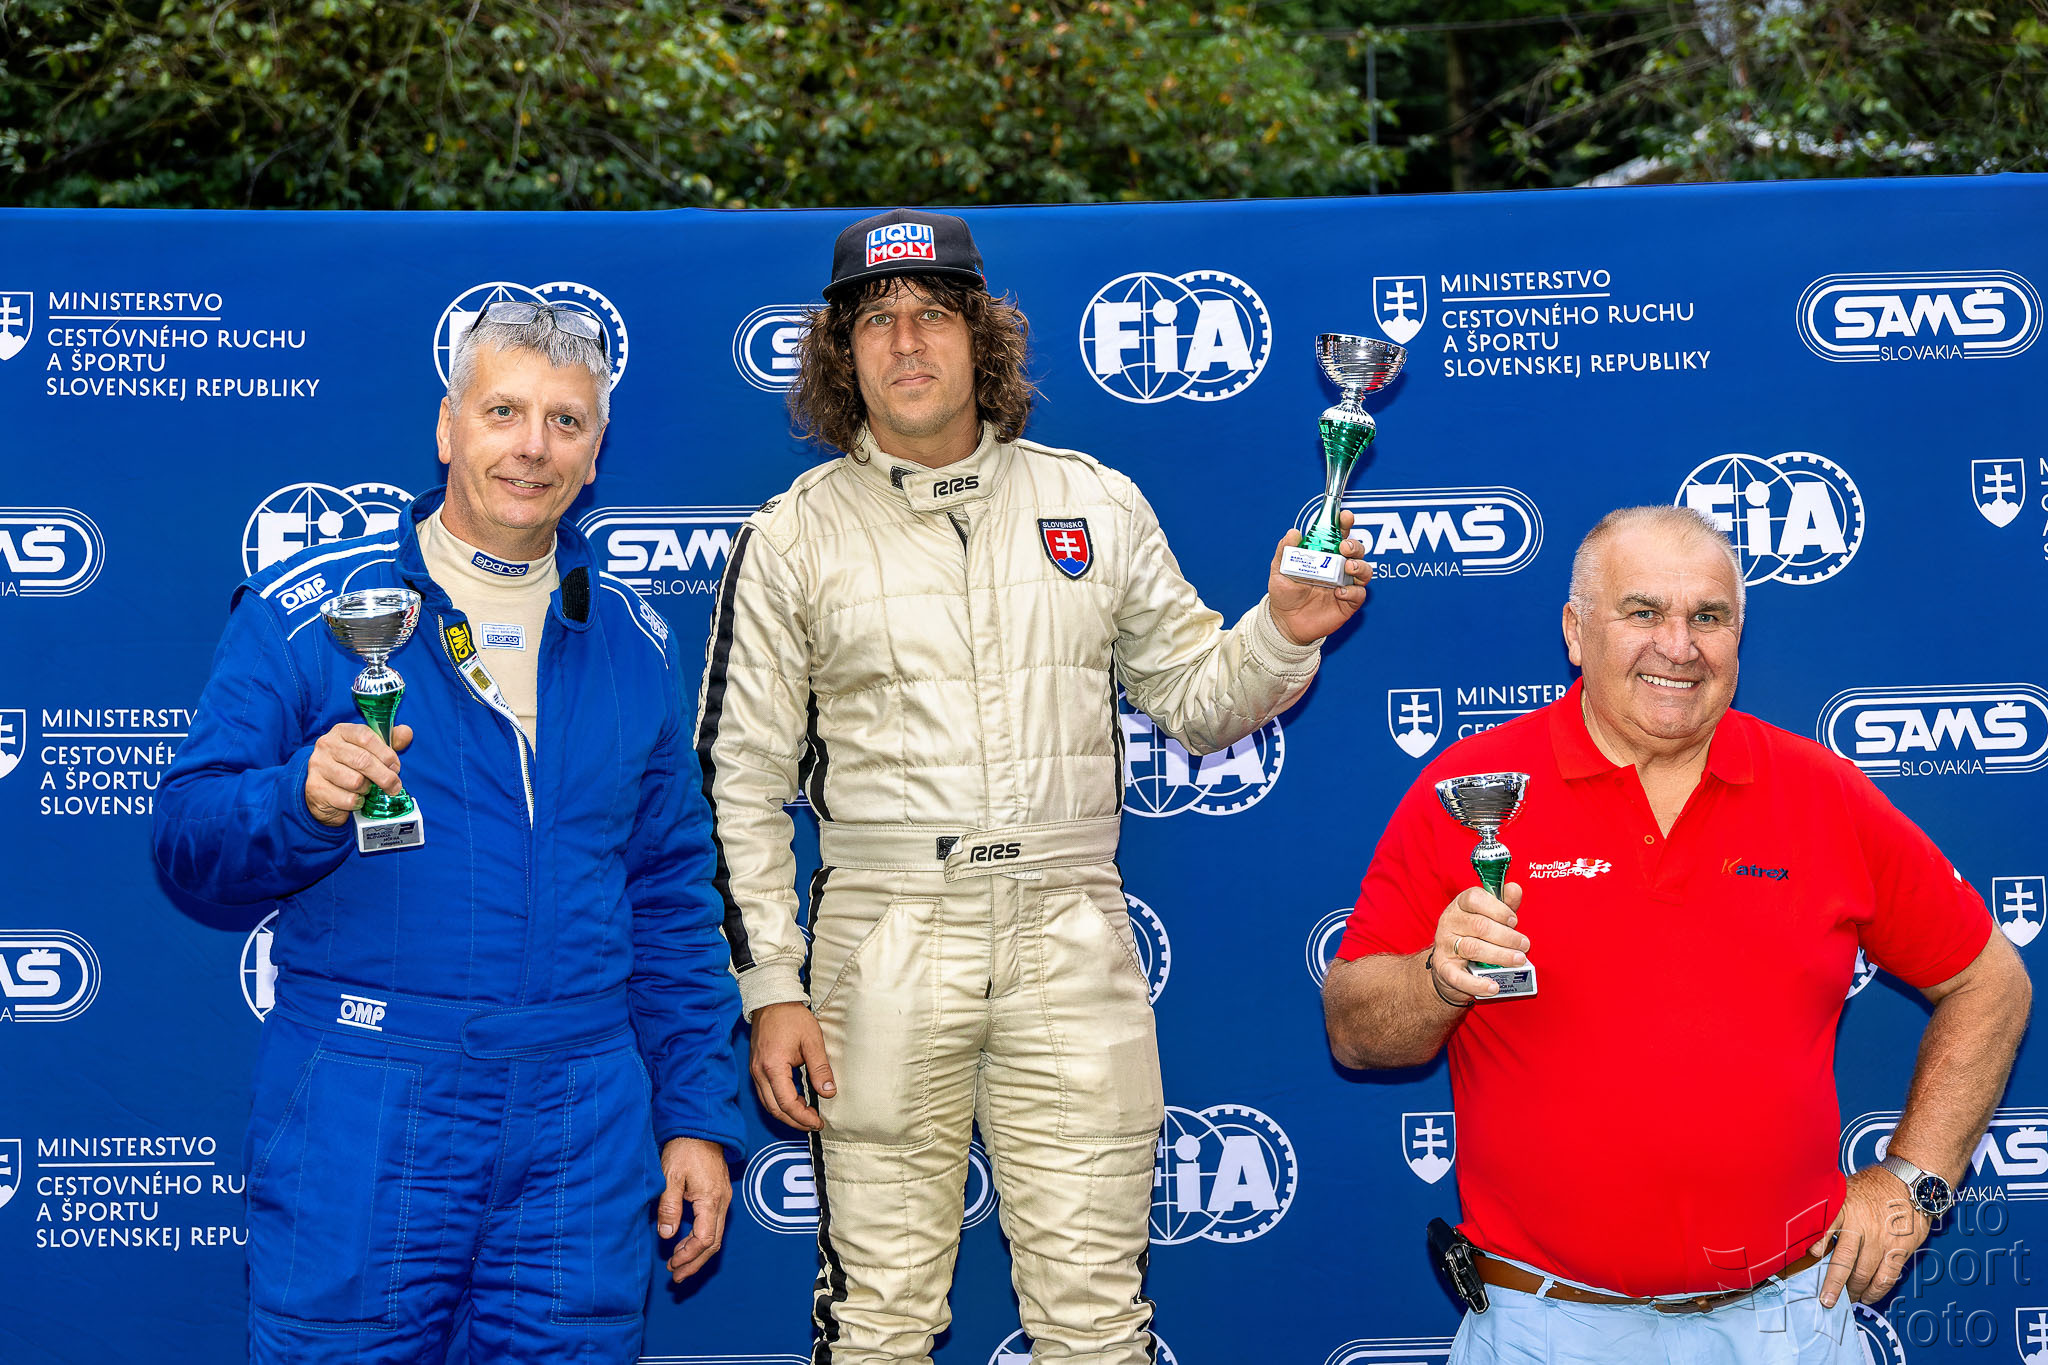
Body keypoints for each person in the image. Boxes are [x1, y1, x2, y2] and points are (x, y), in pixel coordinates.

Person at [695, 208, 1370, 1364]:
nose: (906, 342)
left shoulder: (1093, 503)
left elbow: (1196, 699)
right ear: (842, 354)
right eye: (875, 321)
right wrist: (770, 987)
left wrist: (1281, 631)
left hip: (1068, 930)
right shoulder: (793, 536)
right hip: (882, 937)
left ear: (983, 339)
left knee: (1096, 1323)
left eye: (933, 315)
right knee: (877, 1322)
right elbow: (740, 784)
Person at [153, 302, 743, 1365]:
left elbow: (670, 898)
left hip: (580, 1124)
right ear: (446, 426)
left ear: (595, 450)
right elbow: (187, 840)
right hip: (366, 1104)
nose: (532, 446)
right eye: (503, 411)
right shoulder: (311, 612)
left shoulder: (634, 637)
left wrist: (695, 1112)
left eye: (565, 421)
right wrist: (298, 800)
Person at [1322, 504, 2030, 1362]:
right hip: (1548, 1327)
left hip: (1788, 1322)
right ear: (1575, 630)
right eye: (1644, 611)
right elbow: (1354, 1030)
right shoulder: (1472, 790)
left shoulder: (1821, 793)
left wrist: (1913, 1180)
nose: (1679, 646)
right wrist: (1438, 978)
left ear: (1739, 636)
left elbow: (1990, 981)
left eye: (1709, 617)